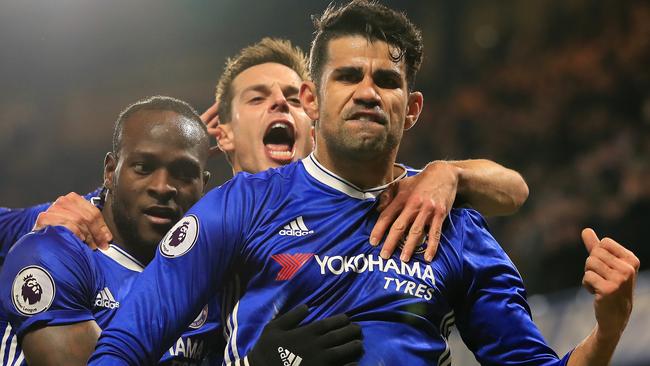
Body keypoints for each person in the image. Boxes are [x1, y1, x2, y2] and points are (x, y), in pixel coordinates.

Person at [87, 2, 639, 366]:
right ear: (312, 98)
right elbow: (126, 344)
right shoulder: (242, 204)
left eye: (387, 80)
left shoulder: (455, 227)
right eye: (348, 76)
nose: (368, 92)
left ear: (413, 107)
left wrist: (608, 329)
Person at [0, 38, 529, 366]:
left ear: (313, 115)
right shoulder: (75, 232)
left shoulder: (344, 226)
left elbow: (513, 189)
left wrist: (450, 172)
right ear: (221, 135)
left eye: (292, 96)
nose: (281, 103)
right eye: (258, 97)